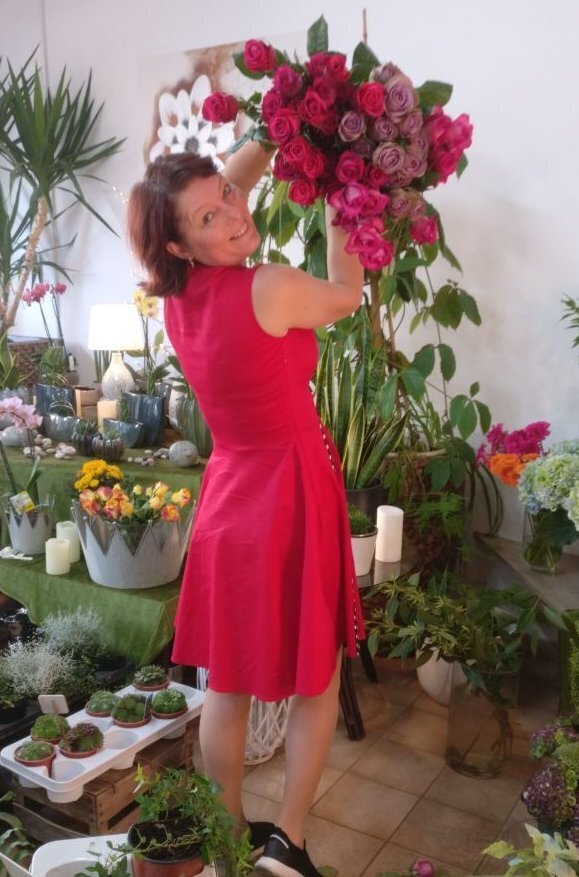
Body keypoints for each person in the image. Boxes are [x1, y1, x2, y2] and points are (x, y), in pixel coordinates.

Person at [126, 140, 364, 877]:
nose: (232, 211)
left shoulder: (176, 295)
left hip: (229, 500)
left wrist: (286, 130)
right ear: (179, 242)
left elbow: (216, 193)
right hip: (291, 493)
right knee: (315, 676)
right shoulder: (269, 285)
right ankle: (288, 841)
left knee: (226, 681)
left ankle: (228, 832)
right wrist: (345, 193)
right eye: (209, 214)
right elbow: (347, 293)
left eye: (226, 193)